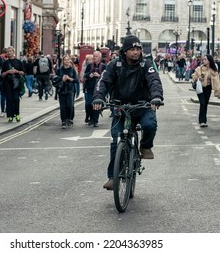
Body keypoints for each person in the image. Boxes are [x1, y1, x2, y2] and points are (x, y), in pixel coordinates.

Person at [92, 35, 163, 190]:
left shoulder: (146, 64)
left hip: (143, 106)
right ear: (125, 51)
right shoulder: (114, 65)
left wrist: (156, 97)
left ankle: (145, 146)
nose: (136, 52)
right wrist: (98, 98)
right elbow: (103, 82)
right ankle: (113, 177)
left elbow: (154, 81)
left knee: (149, 125)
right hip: (121, 107)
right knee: (116, 140)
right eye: (132, 49)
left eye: (138, 49)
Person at [191, 54, 220, 127]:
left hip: (208, 88)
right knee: (202, 103)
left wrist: (217, 90)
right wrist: (198, 79)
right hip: (200, 88)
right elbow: (193, 77)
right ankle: (202, 121)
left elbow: (217, 80)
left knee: (206, 104)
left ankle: (204, 121)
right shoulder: (199, 68)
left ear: (209, 60)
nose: (204, 60)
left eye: (205, 59)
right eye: (203, 59)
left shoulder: (213, 70)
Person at [1, 46, 25, 122]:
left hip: (16, 83)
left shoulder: (18, 62)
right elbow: (2, 74)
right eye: (8, 51)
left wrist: (16, 71)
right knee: (9, 99)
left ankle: (17, 114)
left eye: (10, 51)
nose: (9, 53)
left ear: (13, 52)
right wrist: (8, 72)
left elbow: (23, 72)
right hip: (8, 83)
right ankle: (10, 116)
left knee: (16, 99)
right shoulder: (5, 63)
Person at [55, 54, 79, 129]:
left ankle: (69, 118)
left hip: (70, 89)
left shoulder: (72, 70)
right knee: (63, 107)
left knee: (69, 105)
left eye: (68, 60)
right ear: (63, 61)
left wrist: (69, 78)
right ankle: (63, 121)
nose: (67, 61)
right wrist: (62, 79)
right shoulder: (59, 70)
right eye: (65, 60)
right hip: (61, 90)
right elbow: (55, 79)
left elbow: (76, 80)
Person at [84, 51, 106, 127]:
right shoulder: (89, 65)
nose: (94, 57)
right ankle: (90, 117)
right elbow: (85, 75)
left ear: (100, 57)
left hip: (98, 88)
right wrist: (90, 75)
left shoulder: (103, 66)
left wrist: (99, 75)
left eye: (96, 56)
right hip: (89, 87)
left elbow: (106, 77)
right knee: (88, 104)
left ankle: (95, 120)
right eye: (94, 56)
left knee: (96, 104)